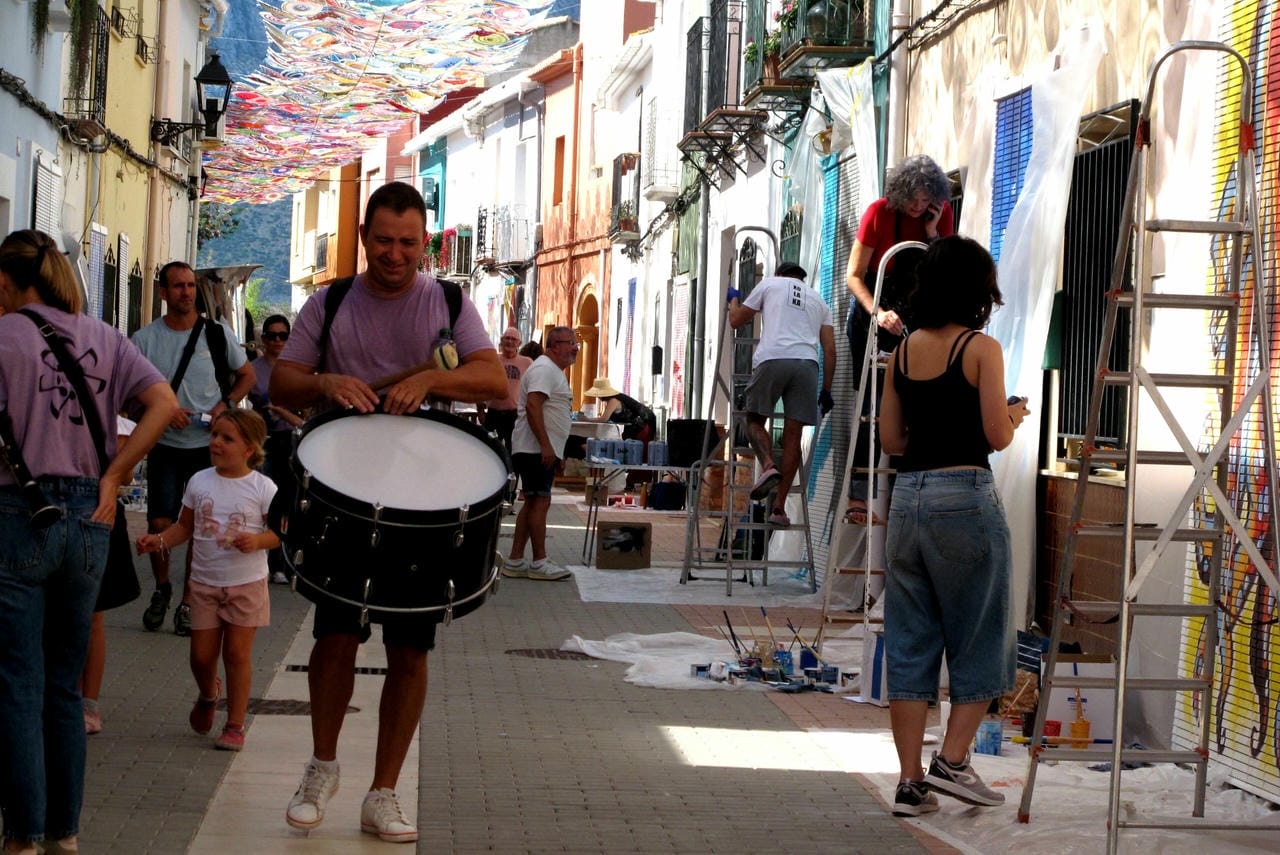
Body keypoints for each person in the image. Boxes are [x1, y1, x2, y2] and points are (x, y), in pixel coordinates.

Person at [269, 181, 504, 843]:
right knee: (335, 634)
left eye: (407, 242)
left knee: (409, 645)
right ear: (364, 238)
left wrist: (431, 378)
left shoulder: (450, 302)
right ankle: (320, 767)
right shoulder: (331, 300)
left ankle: (383, 792)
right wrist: (322, 382)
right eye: (383, 240)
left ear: (423, 241)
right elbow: (282, 381)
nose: (395, 254)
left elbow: (493, 380)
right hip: (345, 488)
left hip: (424, 496)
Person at [0, 228, 178, 855]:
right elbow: (162, 402)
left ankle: (22, 836)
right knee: (64, 685)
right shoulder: (103, 336)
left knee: (18, 680)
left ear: (6, 279)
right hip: (90, 512)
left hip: (18, 510)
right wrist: (117, 471)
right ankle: (65, 834)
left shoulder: (3, 335)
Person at [876, 235, 1030, 817]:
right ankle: (954, 759)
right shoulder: (981, 348)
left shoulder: (904, 351)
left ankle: (910, 783)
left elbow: (891, 441)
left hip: (908, 501)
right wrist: (1012, 413)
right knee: (983, 634)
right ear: (977, 290)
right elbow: (996, 435)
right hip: (964, 498)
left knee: (912, 643)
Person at [136, 409, 279, 752]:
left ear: (249, 449)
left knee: (236, 654)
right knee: (201, 657)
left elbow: (279, 533)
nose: (216, 442)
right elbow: (185, 526)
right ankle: (208, 694)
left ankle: (234, 724)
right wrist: (158, 541)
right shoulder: (199, 481)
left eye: (227, 438)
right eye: (215, 435)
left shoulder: (264, 487)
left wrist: (257, 541)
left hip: (247, 583)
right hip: (204, 584)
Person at [131, 261, 255, 636]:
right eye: (178, 286)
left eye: (189, 285)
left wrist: (225, 406)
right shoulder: (144, 340)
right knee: (161, 521)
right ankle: (162, 588)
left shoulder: (217, 335)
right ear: (164, 293)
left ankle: (188, 603)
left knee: (200, 527)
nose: (186, 292)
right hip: (166, 445)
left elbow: (246, 375)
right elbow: (129, 393)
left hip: (208, 447)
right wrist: (161, 412)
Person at [843, 154, 954, 525]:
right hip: (872, 310)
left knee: (916, 395)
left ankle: (912, 487)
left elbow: (945, 271)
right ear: (899, 192)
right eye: (914, 200)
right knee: (870, 399)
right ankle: (859, 495)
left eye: (927, 201)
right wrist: (877, 313)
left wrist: (934, 233)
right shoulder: (878, 214)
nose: (919, 207)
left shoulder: (939, 216)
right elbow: (854, 276)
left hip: (915, 310)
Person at [727, 262, 836, 527]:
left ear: (779, 274)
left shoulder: (769, 284)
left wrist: (733, 300)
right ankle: (779, 509)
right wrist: (826, 390)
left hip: (773, 359)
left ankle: (767, 465)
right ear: (802, 279)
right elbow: (830, 349)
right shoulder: (819, 301)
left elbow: (736, 320)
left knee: (753, 420)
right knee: (793, 437)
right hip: (807, 366)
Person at [80, 415, 144, 736]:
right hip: (55, 515)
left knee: (92, 616)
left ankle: (88, 702)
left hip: (100, 516)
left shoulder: (117, 424)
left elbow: (126, 475)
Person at [501, 326, 579, 581]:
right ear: (554, 345)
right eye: (571, 343)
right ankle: (539, 562)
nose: (576, 348)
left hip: (537, 448)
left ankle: (514, 560)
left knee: (533, 502)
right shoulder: (545, 369)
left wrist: (556, 449)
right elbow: (534, 405)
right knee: (540, 502)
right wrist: (546, 445)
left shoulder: (550, 370)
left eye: (576, 343)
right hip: (534, 449)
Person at [247, 314, 304, 584]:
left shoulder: (297, 370)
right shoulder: (253, 370)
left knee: (291, 502)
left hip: (292, 441)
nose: (277, 340)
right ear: (264, 338)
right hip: (264, 441)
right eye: (272, 335)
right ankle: (270, 561)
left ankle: (287, 561)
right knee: (268, 502)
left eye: (283, 335)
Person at [477, 326, 532, 454]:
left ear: (519, 343)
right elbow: (481, 384)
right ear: (501, 340)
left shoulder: (527, 363)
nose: (510, 342)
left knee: (513, 451)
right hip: (493, 414)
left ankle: (511, 474)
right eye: (507, 338)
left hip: (514, 415)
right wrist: (480, 409)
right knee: (489, 450)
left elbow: (533, 387)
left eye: (513, 339)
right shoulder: (492, 360)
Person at [581, 377, 657, 442]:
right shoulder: (613, 399)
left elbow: (604, 418)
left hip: (642, 426)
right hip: (632, 427)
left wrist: (587, 420)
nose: (597, 397)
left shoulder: (614, 400)